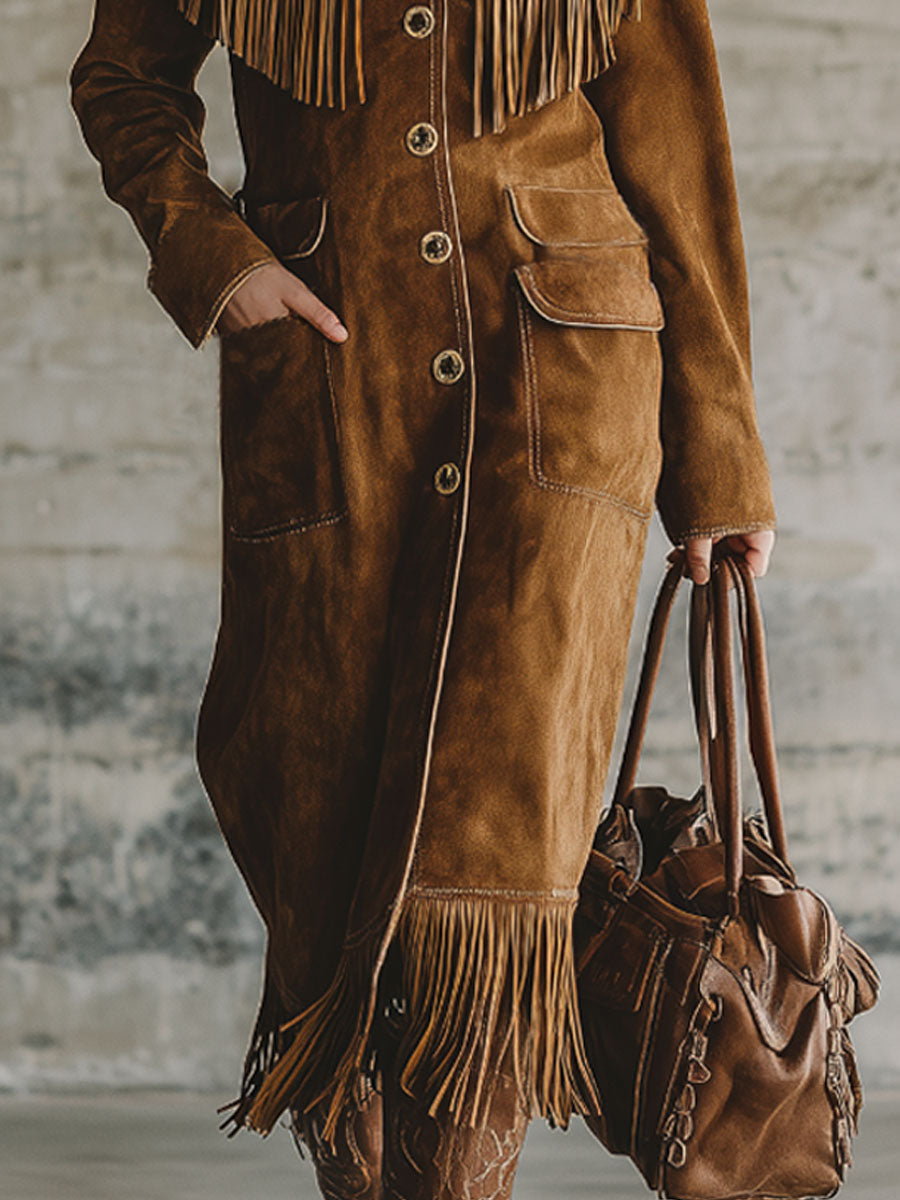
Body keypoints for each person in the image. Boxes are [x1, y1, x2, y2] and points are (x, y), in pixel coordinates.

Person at [69, 0, 776, 1195]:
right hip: (336, 384)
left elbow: (675, 151)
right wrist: (219, 258)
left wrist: (719, 454)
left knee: (489, 869)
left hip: (562, 389)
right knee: (325, 831)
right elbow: (121, 81)